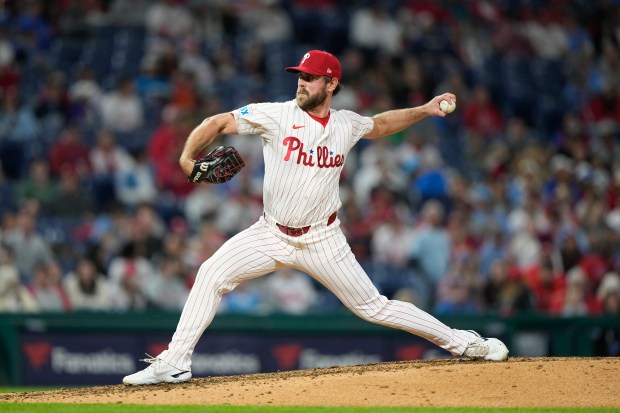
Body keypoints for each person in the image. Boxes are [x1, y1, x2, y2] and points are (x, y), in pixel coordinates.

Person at [123, 50, 509, 385]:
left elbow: (382, 124)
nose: (301, 83)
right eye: (299, 76)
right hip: (270, 233)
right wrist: (187, 158)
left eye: (309, 78)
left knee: (374, 307)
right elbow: (217, 123)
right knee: (211, 273)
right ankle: (174, 362)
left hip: (323, 240)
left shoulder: (346, 124)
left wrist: (424, 110)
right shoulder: (276, 116)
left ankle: (465, 343)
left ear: (331, 84)